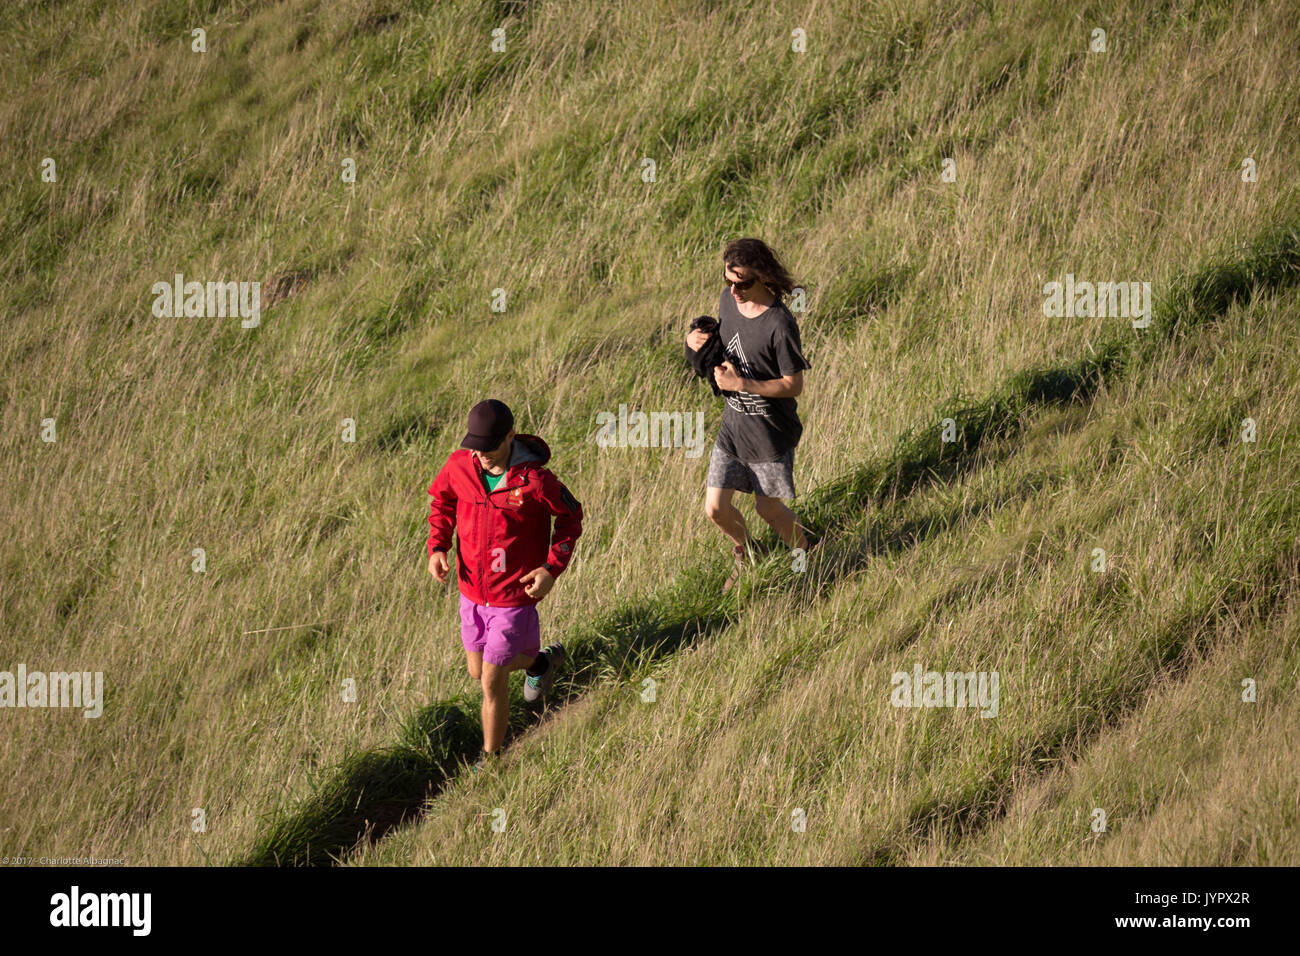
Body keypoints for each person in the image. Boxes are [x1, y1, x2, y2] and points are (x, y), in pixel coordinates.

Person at [426, 399, 583, 768]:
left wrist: (551, 569)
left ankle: (491, 760)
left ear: (510, 436)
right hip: (471, 592)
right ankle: (540, 664)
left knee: (491, 682)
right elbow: (442, 502)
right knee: (477, 670)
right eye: (475, 446)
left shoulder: (536, 482)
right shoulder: (459, 466)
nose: (480, 454)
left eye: (489, 446)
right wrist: (438, 546)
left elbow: (571, 520)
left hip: (513, 596)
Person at [685, 238, 812, 591]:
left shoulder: (779, 324)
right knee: (715, 509)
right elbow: (726, 343)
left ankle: (808, 551)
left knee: (768, 510)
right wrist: (697, 341)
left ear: (763, 277)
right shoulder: (729, 300)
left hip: (771, 432)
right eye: (729, 281)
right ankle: (748, 553)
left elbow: (793, 384)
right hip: (734, 426)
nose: (734, 291)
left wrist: (742, 384)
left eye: (744, 283)